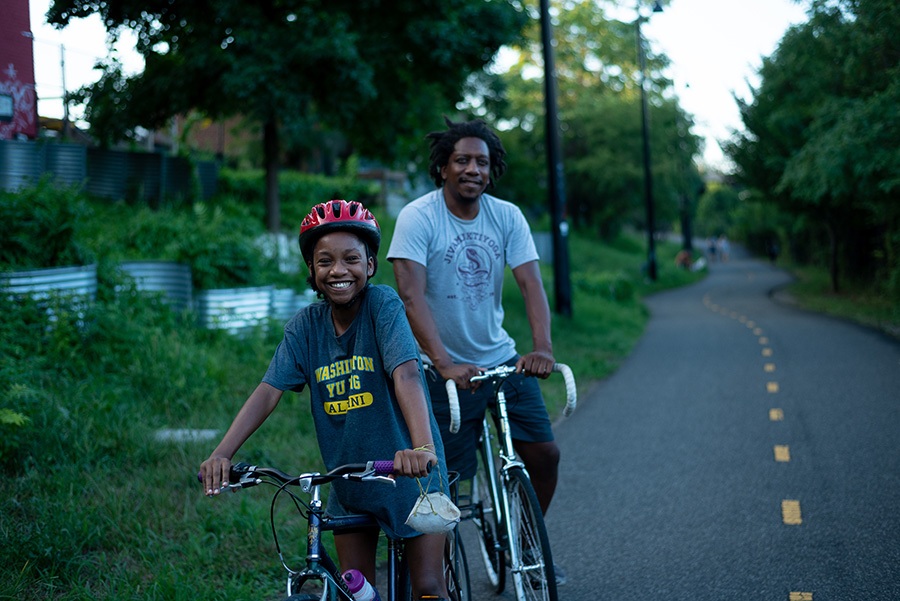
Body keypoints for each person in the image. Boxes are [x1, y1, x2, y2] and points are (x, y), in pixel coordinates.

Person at [200, 200, 450, 601]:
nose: (338, 270)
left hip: (410, 474)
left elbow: (405, 374)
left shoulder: (382, 306)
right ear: (312, 273)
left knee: (427, 587)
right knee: (355, 592)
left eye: (351, 258)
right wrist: (222, 454)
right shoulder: (305, 328)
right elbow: (268, 392)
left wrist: (421, 447)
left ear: (369, 265)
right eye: (324, 261)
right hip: (350, 481)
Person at [387, 118, 566, 585]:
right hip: (443, 369)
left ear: (492, 170)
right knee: (445, 480)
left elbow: (530, 283)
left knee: (544, 455)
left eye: (481, 162)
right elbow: (410, 295)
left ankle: (527, 537)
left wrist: (541, 348)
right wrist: (444, 363)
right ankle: (433, 578)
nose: (472, 169)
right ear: (443, 167)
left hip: (501, 360)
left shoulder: (506, 216)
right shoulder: (418, 217)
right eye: (462, 160)